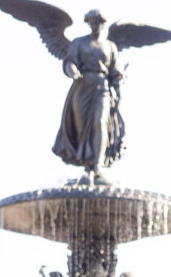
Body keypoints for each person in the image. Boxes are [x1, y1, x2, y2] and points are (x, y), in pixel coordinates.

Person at [52, 9, 125, 183]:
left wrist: (119, 94)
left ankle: (98, 166)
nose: (95, 25)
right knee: (82, 128)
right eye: (91, 22)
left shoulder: (110, 46)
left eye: (98, 22)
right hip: (82, 88)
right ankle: (87, 167)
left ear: (103, 24)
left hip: (102, 88)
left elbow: (115, 72)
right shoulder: (79, 43)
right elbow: (70, 60)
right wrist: (72, 69)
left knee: (100, 122)